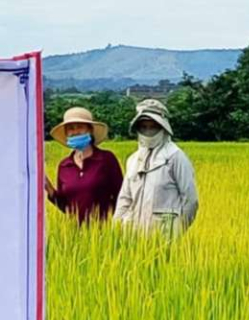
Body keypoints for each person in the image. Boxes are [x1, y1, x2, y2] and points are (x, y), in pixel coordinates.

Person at [114, 98, 199, 236]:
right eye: (143, 127)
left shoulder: (175, 157)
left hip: (163, 235)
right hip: (131, 234)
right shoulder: (133, 160)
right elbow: (125, 198)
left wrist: (176, 232)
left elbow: (190, 200)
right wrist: (116, 228)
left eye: (153, 126)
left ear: (163, 128)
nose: (148, 131)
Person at [45, 106, 121, 223]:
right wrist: (48, 187)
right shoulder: (64, 166)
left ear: (90, 130)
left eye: (80, 127)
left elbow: (121, 196)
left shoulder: (106, 159)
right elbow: (66, 206)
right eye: (70, 128)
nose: (75, 132)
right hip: (76, 234)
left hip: (107, 232)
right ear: (66, 133)